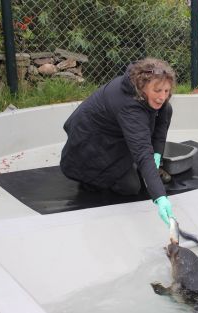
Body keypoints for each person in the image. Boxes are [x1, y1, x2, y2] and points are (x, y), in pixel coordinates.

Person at [60, 58, 175, 226]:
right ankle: (91, 180)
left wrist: (157, 154)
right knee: (131, 187)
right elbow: (142, 151)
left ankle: (143, 169)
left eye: (166, 91)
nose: (162, 96)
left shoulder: (141, 90)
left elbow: (163, 117)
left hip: (114, 136)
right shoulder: (129, 106)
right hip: (90, 146)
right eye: (158, 91)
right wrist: (160, 197)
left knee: (165, 109)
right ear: (143, 86)